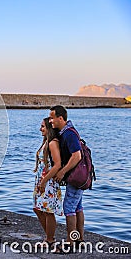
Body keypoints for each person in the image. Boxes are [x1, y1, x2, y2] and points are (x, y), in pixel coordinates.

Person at [49, 105, 84, 252]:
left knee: (69, 208)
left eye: (52, 118)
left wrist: (62, 172)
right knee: (77, 207)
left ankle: (71, 243)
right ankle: (79, 240)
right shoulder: (67, 132)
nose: (51, 121)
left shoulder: (69, 134)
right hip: (79, 176)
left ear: (61, 118)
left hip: (75, 177)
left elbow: (77, 155)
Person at [33, 117, 63, 248]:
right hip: (42, 180)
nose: (40, 129)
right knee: (38, 209)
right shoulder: (46, 142)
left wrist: (44, 181)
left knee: (47, 211)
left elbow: (57, 165)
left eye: (43, 127)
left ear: (49, 128)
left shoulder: (52, 143)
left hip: (48, 182)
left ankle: (50, 240)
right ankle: (50, 237)